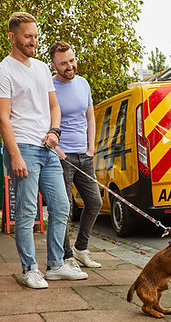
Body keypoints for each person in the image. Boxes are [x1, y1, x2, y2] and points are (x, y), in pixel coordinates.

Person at [0, 12, 87, 289]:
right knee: (27, 210)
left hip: (47, 147)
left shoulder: (43, 68)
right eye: (28, 36)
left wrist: (55, 131)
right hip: (23, 147)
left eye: (35, 36)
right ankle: (29, 268)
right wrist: (15, 155)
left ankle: (56, 265)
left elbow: (54, 107)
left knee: (61, 206)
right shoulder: (3, 71)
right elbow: (2, 118)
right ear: (12, 37)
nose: (33, 41)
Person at [50, 41, 102, 271]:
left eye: (72, 60)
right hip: (62, 156)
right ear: (54, 65)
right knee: (65, 208)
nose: (70, 66)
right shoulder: (49, 87)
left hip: (85, 155)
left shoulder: (83, 84)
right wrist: (58, 152)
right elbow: (46, 121)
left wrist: (91, 148)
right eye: (64, 63)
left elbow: (90, 117)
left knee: (95, 202)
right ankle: (66, 255)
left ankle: (81, 249)